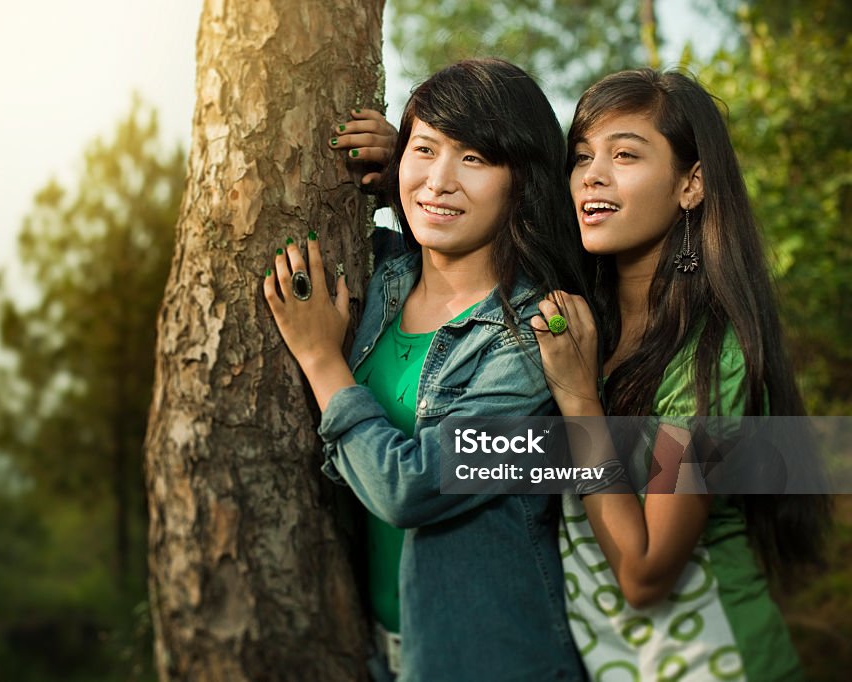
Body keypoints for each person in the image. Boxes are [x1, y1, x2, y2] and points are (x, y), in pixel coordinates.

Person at [264, 59, 588, 680]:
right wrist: (397, 178)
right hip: (379, 652)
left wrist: (321, 359)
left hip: (491, 660)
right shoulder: (383, 278)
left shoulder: (533, 337)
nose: (440, 180)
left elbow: (410, 488)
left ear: (524, 180)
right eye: (425, 149)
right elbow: (423, 202)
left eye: (474, 159)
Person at [530, 68, 831, 681]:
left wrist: (581, 401)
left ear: (691, 183)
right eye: (582, 156)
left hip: (718, 662)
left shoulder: (712, 358)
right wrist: (397, 163)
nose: (593, 174)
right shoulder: (590, 325)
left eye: (625, 155)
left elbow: (645, 573)